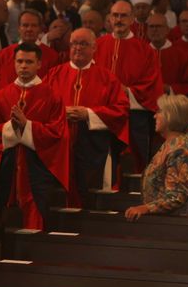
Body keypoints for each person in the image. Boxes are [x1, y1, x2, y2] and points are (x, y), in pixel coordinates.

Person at [0, 44, 68, 229]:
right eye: (19, 61)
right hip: (9, 166)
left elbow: (57, 133)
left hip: (38, 167)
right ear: (13, 63)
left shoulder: (52, 96)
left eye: (29, 62)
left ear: (39, 64)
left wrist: (27, 125)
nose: (23, 66)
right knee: (8, 218)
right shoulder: (1, 96)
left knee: (36, 216)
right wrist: (11, 127)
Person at [44, 29, 129, 199]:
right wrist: (62, 113)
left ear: (94, 48)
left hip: (92, 147)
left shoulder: (107, 78)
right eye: (74, 43)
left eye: (83, 44)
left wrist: (88, 114)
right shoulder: (54, 75)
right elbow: (41, 106)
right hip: (59, 148)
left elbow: (121, 110)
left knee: (88, 197)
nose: (78, 48)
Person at [95, 0, 165, 169]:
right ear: (110, 19)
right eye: (115, 15)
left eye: (124, 15)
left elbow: (152, 83)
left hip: (133, 115)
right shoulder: (97, 45)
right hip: (101, 112)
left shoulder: (145, 49)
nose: (119, 20)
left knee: (133, 163)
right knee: (102, 161)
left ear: (132, 18)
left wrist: (128, 91)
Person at [125, 95, 188, 219]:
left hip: (180, 225)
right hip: (166, 222)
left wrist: (146, 208)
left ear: (172, 116)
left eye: (159, 112)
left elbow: (176, 196)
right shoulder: (171, 143)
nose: (154, 116)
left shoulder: (181, 149)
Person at [147, 12, 188, 98]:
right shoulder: (140, 53)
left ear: (167, 29)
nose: (155, 30)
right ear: (147, 30)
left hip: (173, 104)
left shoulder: (181, 54)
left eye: (159, 26)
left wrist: (169, 89)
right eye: (152, 26)